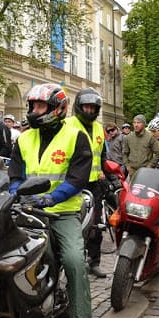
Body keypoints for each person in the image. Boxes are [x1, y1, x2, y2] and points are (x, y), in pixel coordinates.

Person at [9, 83, 96, 318]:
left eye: (40, 106)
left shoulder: (76, 137)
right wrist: (14, 195)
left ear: (58, 109)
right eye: (32, 106)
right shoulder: (23, 139)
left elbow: (77, 179)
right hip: (27, 210)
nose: (34, 111)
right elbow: (14, 175)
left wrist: (50, 198)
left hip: (63, 213)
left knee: (73, 262)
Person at [64, 88, 111, 279]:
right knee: (73, 225)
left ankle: (94, 261)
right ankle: (72, 262)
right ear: (78, 106)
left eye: (93, 108)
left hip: (94, 186)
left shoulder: (100, 129)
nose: (90, 111)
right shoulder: (67, 125)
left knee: (96, 225)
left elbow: (103, 157)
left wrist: (111, 178)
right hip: (73, 184)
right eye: (86, 107)